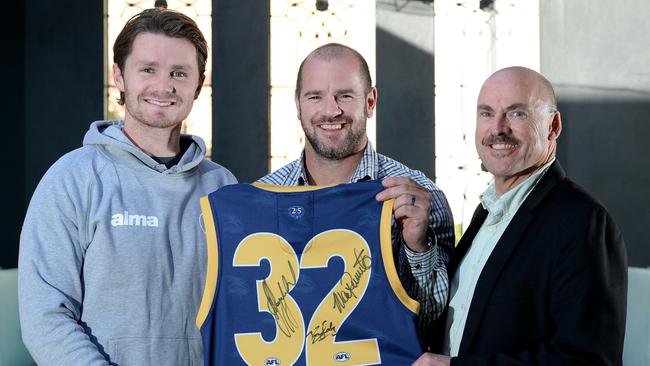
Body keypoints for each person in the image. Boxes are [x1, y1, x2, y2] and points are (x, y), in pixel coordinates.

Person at [18, 8, 236, 366]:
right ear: (119, 76)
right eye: (148, 69)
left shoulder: (222, 186)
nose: (164, 86)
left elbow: (240, 307)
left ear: (198, 83)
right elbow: (45, 318)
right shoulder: (72, 180)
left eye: (178, 73)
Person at [412, 66, 627, 365]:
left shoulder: (583, 222)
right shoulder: (487, 212)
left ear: (553, 126)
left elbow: (588, 360)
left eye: (517, 114)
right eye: (486, 113)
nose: (497, 128)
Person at [258, 43, 455, 342]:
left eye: (345, 96)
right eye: (315, 97)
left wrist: (416, 246)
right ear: (298, 104)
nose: (331, 110)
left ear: (371, 101)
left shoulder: (421, 196)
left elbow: (431, 322)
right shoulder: (263, 198)